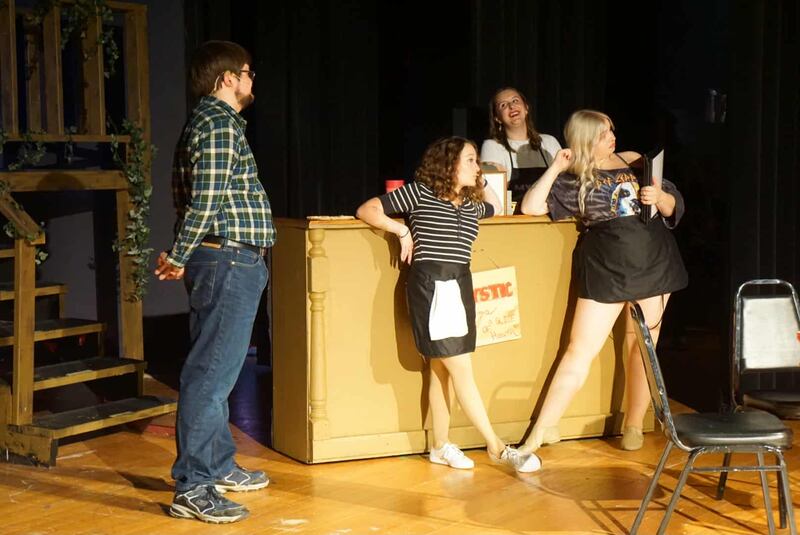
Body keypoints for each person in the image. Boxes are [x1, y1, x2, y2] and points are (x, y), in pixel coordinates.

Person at [356, 136, 541, 473]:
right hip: (431, 286)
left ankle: (441, 445)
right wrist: (400, 230)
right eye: (470, 160)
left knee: (441, 371)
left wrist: (482, 179)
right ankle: (496, 446)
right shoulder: (421, 193)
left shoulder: (471, 205)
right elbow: (368, 209)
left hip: (459, 284)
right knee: (461, 370)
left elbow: (496, 205)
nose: (477, 166)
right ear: (450, 164)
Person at [518, 110, 687, 457]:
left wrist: (660, 199)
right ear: (585, 140)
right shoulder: (573, 178)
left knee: (640, 346)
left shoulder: (635, 162)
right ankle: (541, 430)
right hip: (607, 265)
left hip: (651, 260)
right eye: (604, 133)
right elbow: (531, 207)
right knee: (579, 350)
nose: (613, 137)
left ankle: (634, 422)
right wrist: (554, 167)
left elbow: (672, 206)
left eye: (612, 130)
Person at [154, 40, 275, 524]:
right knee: (210, 375)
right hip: (226, 260)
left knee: (218, 372)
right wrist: (181, 254)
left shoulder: (209, 124)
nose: (251, 80)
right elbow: (204, 201)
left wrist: (184, 253)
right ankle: (193, 485)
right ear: (227, 78)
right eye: (246, 72)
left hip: (226, 259)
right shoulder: (218, 124)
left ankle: (218, 464)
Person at [480, 87, 562, 205]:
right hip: (515, 219)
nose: (511, 106)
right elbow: (492, 193)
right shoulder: (492, 146)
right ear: (497, 118)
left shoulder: (549, 142)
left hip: (549, 216)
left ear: (526, 108)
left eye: (515, 101)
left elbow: (563, 184)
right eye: (503, 105)